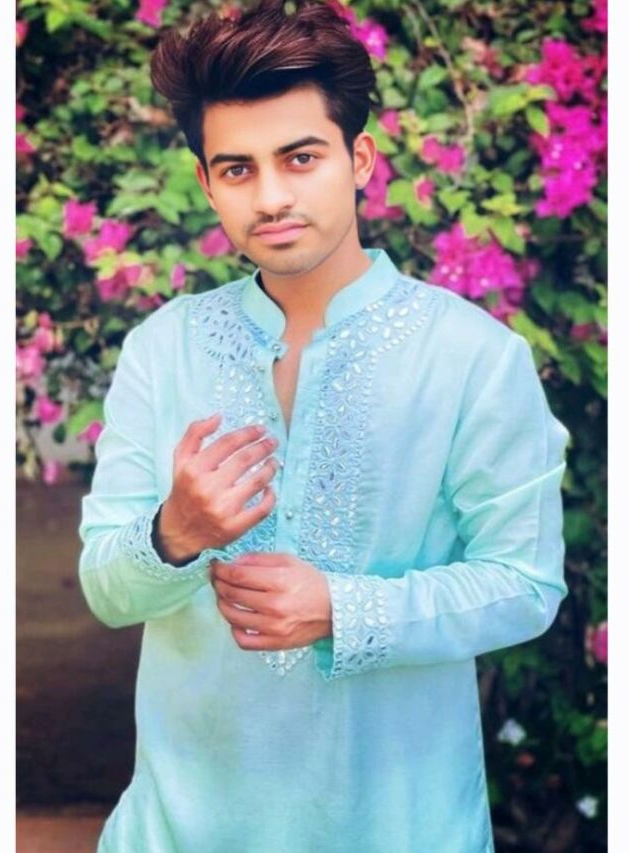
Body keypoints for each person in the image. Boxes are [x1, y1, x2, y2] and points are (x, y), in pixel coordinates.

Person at [77, 1, 571, 850]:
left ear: (359, 159)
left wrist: (344, 608)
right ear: (206, 182)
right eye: (237, 169)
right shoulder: (164, 348)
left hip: (400, 825)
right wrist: (175, 532)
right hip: (179, 827)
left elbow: (525, 584)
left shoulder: (474, 357)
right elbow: (106, 590)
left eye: (300, 158)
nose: (271, 197)